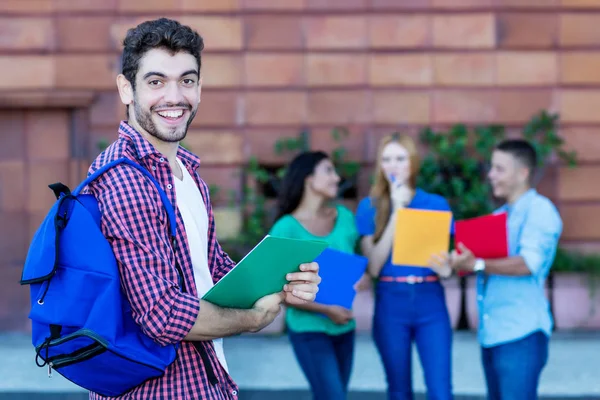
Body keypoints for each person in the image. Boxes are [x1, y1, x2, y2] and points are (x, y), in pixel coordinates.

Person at [84, 18, 320, 400]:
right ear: (126, 89)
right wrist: (252, 319)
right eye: (156, 82)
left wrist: (282, 280)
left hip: (205, 381)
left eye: (187, 80)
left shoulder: (186, 171)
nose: (174, 97)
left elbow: (211, 274)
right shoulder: (126, 179)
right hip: (156, 391)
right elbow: (162, 316)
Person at [446, 139, 562, 400]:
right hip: (492, 335)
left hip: (521, 336)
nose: (490, 175)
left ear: (522, 173)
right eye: (492, 168)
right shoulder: (500, 215)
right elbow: (480, 263)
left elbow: (528, 263)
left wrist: (476, 263)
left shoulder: (540, 211)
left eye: (499, 169)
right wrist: (457, 262)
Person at [355, 133, 454, 400]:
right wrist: (397, 212)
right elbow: (374, 267)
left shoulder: (436, 204)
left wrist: (448, 268)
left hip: (430, 301)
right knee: (399, 391)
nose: (393, 166)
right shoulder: (369, 207)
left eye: (400, 158)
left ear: (412, 163)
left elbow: (447, 261)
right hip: (390, 303)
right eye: (386, 159)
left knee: (441, 391)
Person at [269, 151, 361, 400]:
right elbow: (277, 290)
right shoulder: (285, 228)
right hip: (309, 330)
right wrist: (327, 309)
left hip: (345, 327)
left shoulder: (345, 218)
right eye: (329, 171)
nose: (337, 177)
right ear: (309, 179)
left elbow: (352, 267)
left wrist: (359, 279)